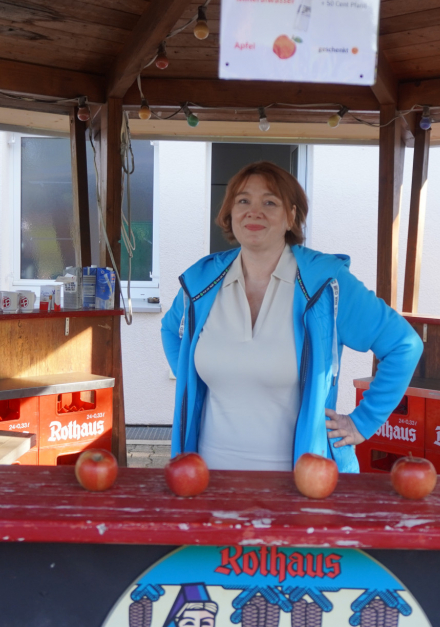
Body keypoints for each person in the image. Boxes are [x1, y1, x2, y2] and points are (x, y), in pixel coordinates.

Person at [160, 161, 422, 473]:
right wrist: (191, 378)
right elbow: (169, 330)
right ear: (230, 213)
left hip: (303, 484)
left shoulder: (326, 283)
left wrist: (362, 422)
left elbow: (404, 345)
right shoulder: (201, 281)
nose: (254, 212)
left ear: (291, 216)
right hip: (207, 479)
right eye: (243, 201)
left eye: (270, 202)